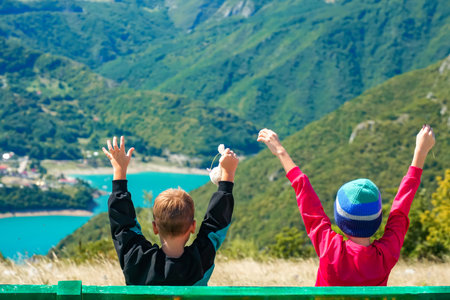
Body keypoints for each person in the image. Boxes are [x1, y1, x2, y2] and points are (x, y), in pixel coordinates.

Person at [257, 125, 435, 286]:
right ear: (377, 219)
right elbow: (400, 211)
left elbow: (306, 196)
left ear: (340, 219)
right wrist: (420, 152)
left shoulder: (330, 249)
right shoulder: (385, 256)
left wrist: (280, 151)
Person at [102, 136, 238, 285]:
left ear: (155, 227)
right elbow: (216, 223)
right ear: (192, 226)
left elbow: (122, 225)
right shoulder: (200, 260)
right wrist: (227, 176)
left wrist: (119, 170)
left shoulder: (137, 260)